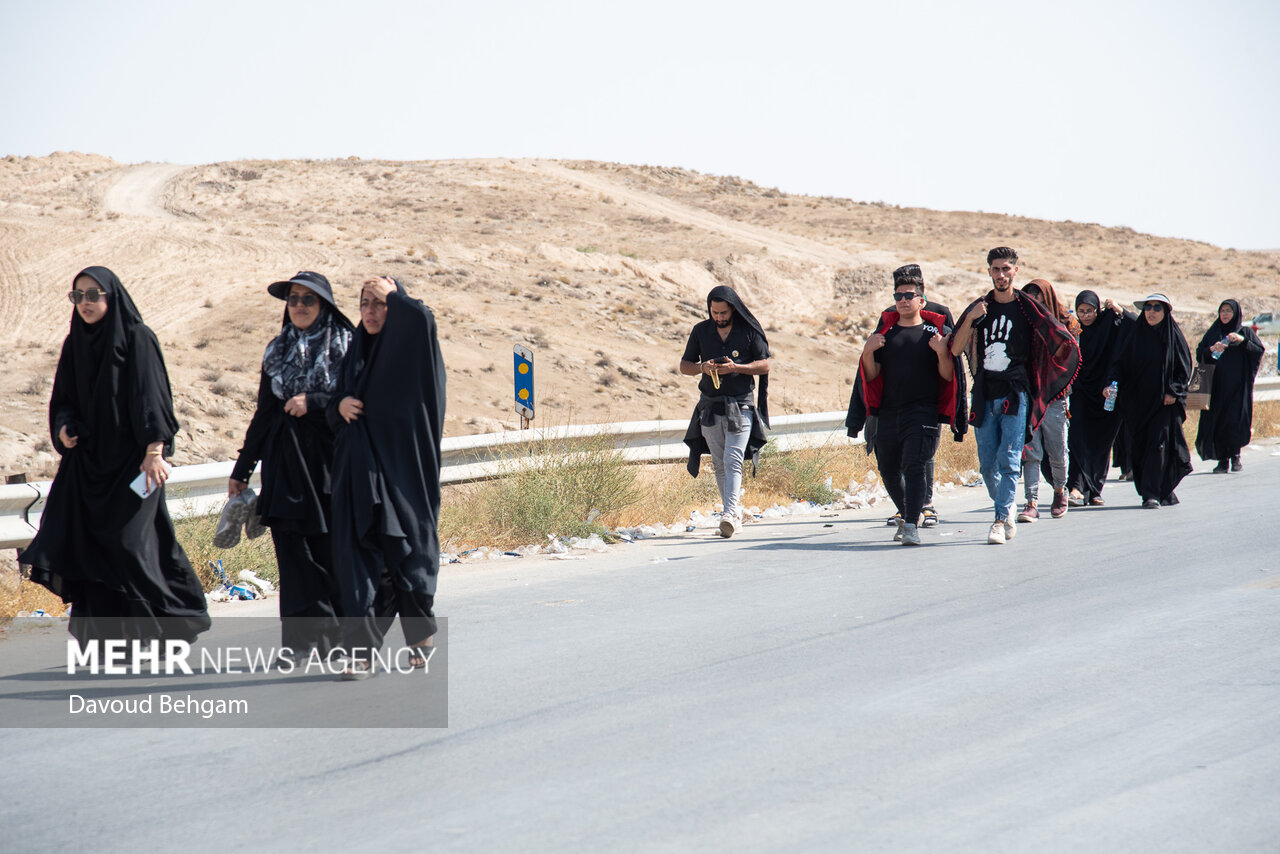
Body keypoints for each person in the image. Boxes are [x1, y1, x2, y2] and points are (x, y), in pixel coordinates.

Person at [19, 266, 210, 647]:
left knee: (130, 545)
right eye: (78, 296)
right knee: (89, 548)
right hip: (87, 467)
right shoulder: (74, 344)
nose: (85, 303)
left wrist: (155, 451)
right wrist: (63, 428)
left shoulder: (138, 338)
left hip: (134, 466)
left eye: (93, 295)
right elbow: (63, 402)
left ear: (112, 297)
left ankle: (173, 622)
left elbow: (155, 399)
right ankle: (111, 642)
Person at [229, 271, 353, 664]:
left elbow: (357, 401)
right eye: (293, 299)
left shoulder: (348, 347)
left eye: (308, 300)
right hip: (284, 465)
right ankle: (299, 643)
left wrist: (313, 401)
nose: (299, 306)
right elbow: (264, 414)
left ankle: (336, 636)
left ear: (325, 306)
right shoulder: (277, 350)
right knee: (291, 552)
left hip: (331, 465)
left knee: (328, 551)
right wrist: (242, 469)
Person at [328, 276, 446, 679]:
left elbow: (422, 320)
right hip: (361, 477)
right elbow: (334, 404)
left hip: (406, 474)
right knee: (365, 566)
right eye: (364, 303)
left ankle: (420, 635)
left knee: (409, 562)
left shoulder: (416, 352)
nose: (371, 312)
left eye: (380, 303)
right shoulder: (357, 353)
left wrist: (395, 293)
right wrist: (338, 404)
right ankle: (362, 653)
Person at [950, 248, 1079, 545]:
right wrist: (970, 319)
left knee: (1009, 460)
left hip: (1016, 394)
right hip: (984, 393)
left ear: (1015, 271)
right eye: (995, 269)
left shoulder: (1027, 308)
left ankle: (999, 518)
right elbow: (956, 350)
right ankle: (1005, 509)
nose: (1001, 274)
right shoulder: (980, 308)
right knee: (986, 464)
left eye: (1006, 269)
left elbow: (1060, 338)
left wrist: (1044, 381)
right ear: (989, 272)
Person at [847, 266, 962, 529]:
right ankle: (910, 509)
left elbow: (949, 373)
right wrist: (866, 352)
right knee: (888, 467)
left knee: (916, 462)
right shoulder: (887, 324)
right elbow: (872, 371)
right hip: (889, 410)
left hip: (924, 408)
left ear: (921, 296)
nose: (902, 300)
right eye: (898, 295)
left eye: (908, 294)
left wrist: (942, 352)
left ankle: (918, 513)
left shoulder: (938, 319)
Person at [680, 285, 771, 539]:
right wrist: (702, 368)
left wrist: (735, 368)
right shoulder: (700, 331)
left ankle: (729, 514)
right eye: (714, 312)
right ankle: (734, 514)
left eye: (723, 312)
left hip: (740, 406)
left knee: (732, 459)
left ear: (733, 309)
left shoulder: (748, 331)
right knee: (719, 464)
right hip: (709, 406)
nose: (719, 317)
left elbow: (764, 364)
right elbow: (684, 366)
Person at [1104, 293, 1192, 507]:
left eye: (1157, 308)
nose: (1151, 312)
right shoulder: (1135, 336)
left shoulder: (1173, 336)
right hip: (1137, 404)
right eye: (1148, 307)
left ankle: (1151, 493)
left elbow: (1184, 368)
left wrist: (1174, 391)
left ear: (1166, 312)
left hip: (1163, 404)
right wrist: (1110, 384)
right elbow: (1119, 365)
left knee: (1159, 445)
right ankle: (1161, 489)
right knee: (1141, 447)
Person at [1016, 279, 1078, 522]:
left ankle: (1060, 492)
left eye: (1039, 299)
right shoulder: (1024, 322)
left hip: (1055, 396)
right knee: (1031, 451)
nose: (1035, 304)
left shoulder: (1066, 323)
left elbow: (1071, 360)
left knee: (1057, 450)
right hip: (1029, 395)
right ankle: (1031, 502)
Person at [1066, 292, 1137, 506]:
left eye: (1090, 311)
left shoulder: (1111, 325)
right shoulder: (1074, 331)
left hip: (1107, 393)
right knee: (1077, 439)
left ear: (1098, 310)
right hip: (1080, 393)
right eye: (1081, 311)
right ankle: (1076, 487)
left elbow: (1136, 325)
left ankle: (1095, 490)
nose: (1086, 316)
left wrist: (1119, 309)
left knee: (1101, 444)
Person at [1193, 299, 1264, 472]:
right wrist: (1211, 349)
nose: (1224, 314)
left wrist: (1242, 341)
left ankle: (1235, 456)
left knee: (1234, 421)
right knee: (1218, 422)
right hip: (1216, 388)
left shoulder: (1244, 331)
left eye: (1228, 311)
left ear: (1236, 313)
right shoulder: (1213, 332)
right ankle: (1222, 460)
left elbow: (1258, 351)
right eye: (1222, 310)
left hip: (1238, 388)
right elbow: (1199, 354)